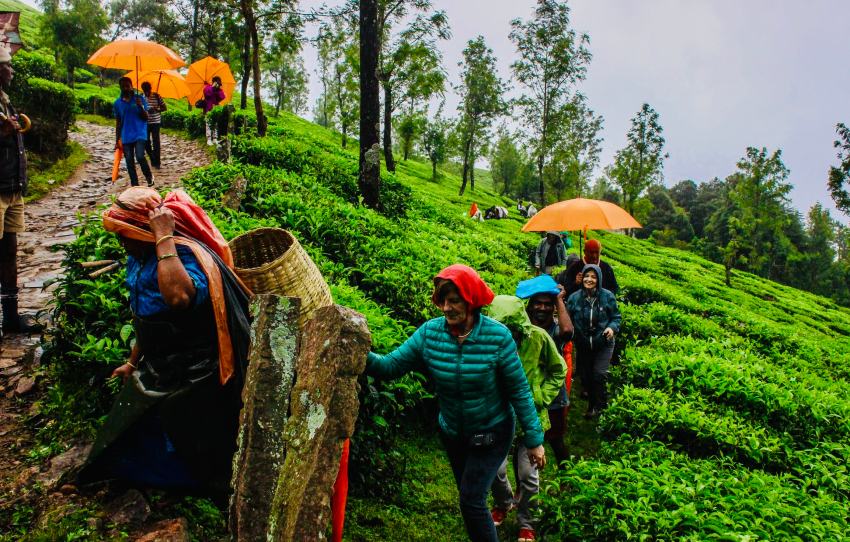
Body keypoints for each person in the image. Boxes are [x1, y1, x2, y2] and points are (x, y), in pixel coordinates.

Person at [80, 187, 251, 495]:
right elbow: (146, 317)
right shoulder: (137, 257)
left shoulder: (185, 255)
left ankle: (200, 492)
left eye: (125, 233)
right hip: (159, 363)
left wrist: (163, 239)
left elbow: (178, 298)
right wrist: (132, 362)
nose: (121, 240)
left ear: (146, 231)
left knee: (192, 442)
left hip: (195, 371)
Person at [366, 264, 545, 542]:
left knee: (471, 501)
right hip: (454, 432)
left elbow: (519, 390)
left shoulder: (497, 337)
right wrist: (358, 350)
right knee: (468, 498)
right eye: (443, 301)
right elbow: (390, 366)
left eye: (454, 301)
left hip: (493, 431)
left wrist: (534, 439)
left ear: (471, 301)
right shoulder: (430, 334)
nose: (447, 308)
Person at [486, 295, 565, 542]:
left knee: (528, 476)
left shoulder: (538, 338)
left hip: (531, 417)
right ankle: (504, 502)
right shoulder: (490, 341)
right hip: (499, 416)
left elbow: (558, 368)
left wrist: (542, 395)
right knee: (495, 471)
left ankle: (527, 522)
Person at [0, 47, 41, 335]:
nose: (12, 71)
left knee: (10, 251)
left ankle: (11, 317)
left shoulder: (6, 104)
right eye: (8, 66)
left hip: (13, 188)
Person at [515, 274, 574, 466]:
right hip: (528, 392)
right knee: (522, 442)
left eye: (547, 304)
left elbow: (567, 331)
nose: (542, 308)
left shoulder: (555, 330)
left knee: (556, 439)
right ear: (530, 306)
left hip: (554, 395)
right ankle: (525, 484)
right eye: (538, 303)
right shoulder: (523, 328)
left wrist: (558, 299)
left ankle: (566, 476)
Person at [566, 264, 621, 418]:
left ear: (599, 279)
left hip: (603, 343)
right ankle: (592, 405)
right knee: (587, 377)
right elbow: (568, 319)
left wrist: (611, 328)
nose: (589, 279)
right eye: (586, 276)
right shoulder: (574, 298)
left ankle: (602, 405)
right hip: (583, 344)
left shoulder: (607, 296)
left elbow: (616, 317)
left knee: (599, 374)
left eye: (593, 277)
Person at [114, 77, 153, 187]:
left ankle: (149, 176)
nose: (126, 88)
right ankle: (134, 185)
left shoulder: (140, 99)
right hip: (126, 135)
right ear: (120, 88)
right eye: (123, 86)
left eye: (128, 85)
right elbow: (118, 122)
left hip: (140, 133)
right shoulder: (117, 103)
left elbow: (146, 117)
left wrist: (140, 106)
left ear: (132, 86)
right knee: (129, 161)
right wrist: (117, 139)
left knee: (140, 156)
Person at [141, 81, 166, 169]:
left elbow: (164, 107)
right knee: (146, 142)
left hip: (156, 122)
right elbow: (140, 109)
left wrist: (156, 109)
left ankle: (157, 162)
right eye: (145, 91)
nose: (146, 92)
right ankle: (152, 158)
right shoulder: (141, 97)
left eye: (147, 90)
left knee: (156, 142)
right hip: (145, 122)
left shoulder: (156, 96)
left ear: (150, 89)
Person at [203, 76, 226, 146]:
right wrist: (212, 87)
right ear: (213, 82)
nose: (218, 85)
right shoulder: (208, 87)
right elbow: (207, 94)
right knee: (209, 124)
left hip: (215, 109)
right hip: (208, 108)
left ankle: (215, 139)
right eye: (217, 83)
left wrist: (218, 89)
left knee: (215, 124)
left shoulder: (218, 90)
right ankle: (209, 139)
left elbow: (222, 97)